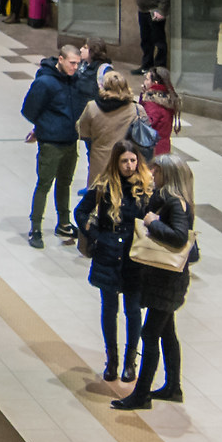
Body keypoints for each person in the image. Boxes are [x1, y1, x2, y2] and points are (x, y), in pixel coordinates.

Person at [110, 155, 194, 409]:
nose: (151, 176)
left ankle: (142, 394)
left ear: (167, 174)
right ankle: (172, 388)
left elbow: (179, 237)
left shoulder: (175, 203)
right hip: (167, 279)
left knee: (149, 334)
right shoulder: (172, 198)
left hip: (167, 281)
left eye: (155, 172)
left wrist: (152, 223)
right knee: (167, 333)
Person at [73, 142, 150, 385]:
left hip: (135, 258)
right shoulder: (104, 185)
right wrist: (96, 235)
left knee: (133, 310)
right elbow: (80, 212)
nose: (129, 166)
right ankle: (112, 360)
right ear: (116, 163)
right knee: (109, 309)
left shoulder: (147, 188)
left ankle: (130, 362)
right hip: (108, 255)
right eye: (124, 161)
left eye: (133, 161)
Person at [22, 44, 95, 248]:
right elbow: (29, 110)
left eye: (78, 64)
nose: (75, 67)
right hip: (51, 143)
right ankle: (35, 227)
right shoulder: (45, 82)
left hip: (70, 140)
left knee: (65, 183)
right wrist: (43, 128)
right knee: (44, 184)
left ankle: (63, 223)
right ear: (60, 60)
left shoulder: (75, 81)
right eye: (72, 63)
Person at [77, 69, 140, 190]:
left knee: (98, 198)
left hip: (99, 160)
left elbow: (82, 131)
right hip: (127, 162)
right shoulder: (136, 109)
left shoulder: (92, 107)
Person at [137, 67, 179, 156]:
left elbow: (146, 124)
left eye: (147, 79)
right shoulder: (167, 98)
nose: (144, 81)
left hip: (153, 151)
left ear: (155, 83)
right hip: (164, 147)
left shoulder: (153, 103)